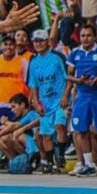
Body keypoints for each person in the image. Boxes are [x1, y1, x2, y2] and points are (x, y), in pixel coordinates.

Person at [65, 25, 97, 177]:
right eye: (83, 36)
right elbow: (69, 76)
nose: (86, 38)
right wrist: (79, 80)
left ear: (94, 36)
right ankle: (89, 163)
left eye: (89, 35)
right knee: (80, 129)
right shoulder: (75, 53)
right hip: (82, 95)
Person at [28, 29, 69, 174]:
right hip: (44, 102)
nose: (38, 44)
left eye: (41, 40)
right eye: (35, 41)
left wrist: (65, 96)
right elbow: (33, 84)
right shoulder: (33, 62)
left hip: (59, 101)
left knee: (59, 125)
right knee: (45, 135)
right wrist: (36, 102)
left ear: (47, 41)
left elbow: (68, 77)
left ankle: (61, 155)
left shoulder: (57, 57)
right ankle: (50, 162)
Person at [0, 35, 29, 128]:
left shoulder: (22, 61)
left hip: (16, 105)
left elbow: (29, 82)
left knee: (15, 132)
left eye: (11, 44)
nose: (8, 47)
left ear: (15, 46)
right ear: (1, 46)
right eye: (5, 44)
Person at [0, 93, 40, 160]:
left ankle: (31, 158)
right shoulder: (17, 117)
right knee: (2, 139)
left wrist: (5, 122)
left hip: (38, 144)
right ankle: (14, 162)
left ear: (22, 105)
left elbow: (14, 126)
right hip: (29, 143)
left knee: (16, 135)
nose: (12, 110)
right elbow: (5, 127)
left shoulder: (32, 114)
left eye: (14, 107)